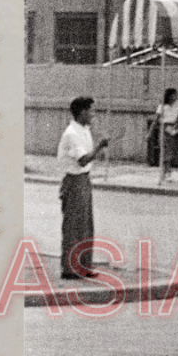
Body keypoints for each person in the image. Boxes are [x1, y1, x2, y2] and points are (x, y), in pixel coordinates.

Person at [57, 96, 109, 280]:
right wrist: (99, 148)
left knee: (86, 224)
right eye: (91, 111)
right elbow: (83, 160)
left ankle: (84, 265)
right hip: (74, 180)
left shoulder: (84, 130)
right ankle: (70, 268)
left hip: (84, 180)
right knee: (73, 225)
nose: (93, 114)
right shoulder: (72, 133)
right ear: (82, 112)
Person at [152, 88, 178, 183]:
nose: (174, 97)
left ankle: (165, 171)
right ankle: (167, 172)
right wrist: (150, 133)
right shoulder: (162, 106)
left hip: (174, 128)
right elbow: (156, 120)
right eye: (172, 95)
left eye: (175, 95)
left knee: (171, 152)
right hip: (165, 128)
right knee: (165, 151)